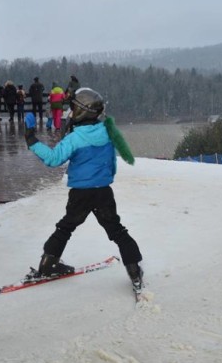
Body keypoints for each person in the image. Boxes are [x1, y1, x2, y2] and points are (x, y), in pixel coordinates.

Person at [23, 87, 143, 289]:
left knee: (65, 228)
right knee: (117, 230)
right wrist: (104, 179)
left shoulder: (75, 138)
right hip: (103, 191)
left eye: (72, 108)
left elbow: (53, 159)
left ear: (81, 111)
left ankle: (48, 264)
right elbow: (112, 163)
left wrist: (31, 140)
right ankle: (134, 270)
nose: (70, 112)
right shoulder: (107, 132)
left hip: (80, 193)